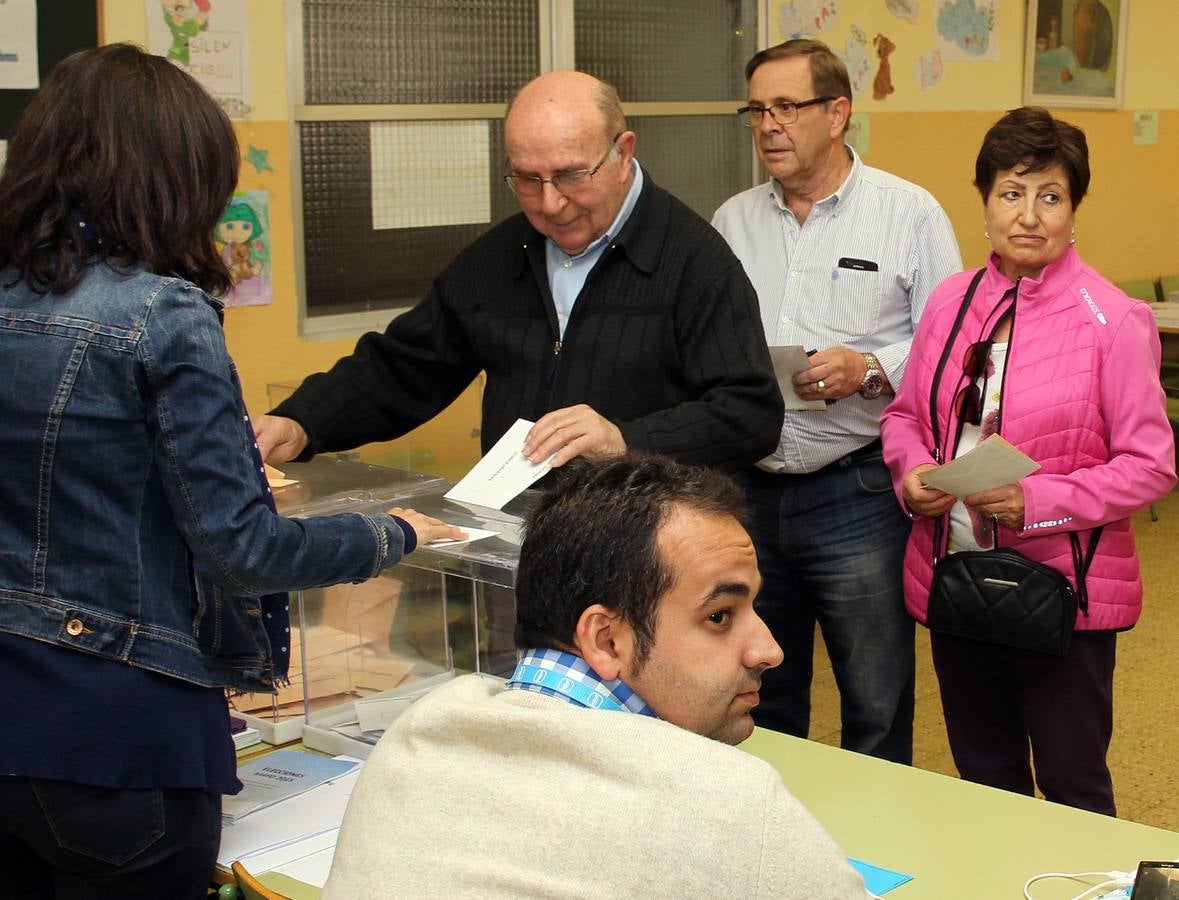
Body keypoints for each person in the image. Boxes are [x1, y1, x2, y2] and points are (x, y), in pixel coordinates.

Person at [0, 44, 463, 899]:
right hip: (119, 734)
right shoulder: (159, 312)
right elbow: (243, 549)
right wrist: (393, 531)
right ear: (173, 176)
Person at [324, 454, 869, 899]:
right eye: (720, 616)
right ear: (608, 639)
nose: (769, 650)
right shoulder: (730, 802)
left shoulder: (415, 735)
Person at [253, 70, 782, 474]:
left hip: (651, 550)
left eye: (571, 175)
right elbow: (405, 365)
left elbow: (749, 414)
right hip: (527, 540)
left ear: (623, 153)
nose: (550, 204)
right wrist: (302, 422)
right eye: (528, 179)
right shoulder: (500, 255)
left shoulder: (695, 259)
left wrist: (623, 439)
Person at [880, 106, 1176, 815]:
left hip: (1062, 595)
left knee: (1072, 788)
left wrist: (1036, 502)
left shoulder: (1113, 319)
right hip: (954, 574)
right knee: (984, 779)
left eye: (1050, 195)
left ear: (1073, 208)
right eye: (1011, 193)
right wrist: (911, 472)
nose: (1029, 215)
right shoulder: (951, 301)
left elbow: (1152, 464)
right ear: (983, 203)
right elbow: (901, 417)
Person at [710, 39, 961, 763]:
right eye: (756, 110)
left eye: (786, 107)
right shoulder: (732, 221)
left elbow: (950, 343)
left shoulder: (907, 214)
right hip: (748, 491)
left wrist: (871, 368)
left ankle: (874, 855)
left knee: (875, 697)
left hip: (856, 491)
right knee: (760, 690)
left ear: (837, 113)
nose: (768, 126)